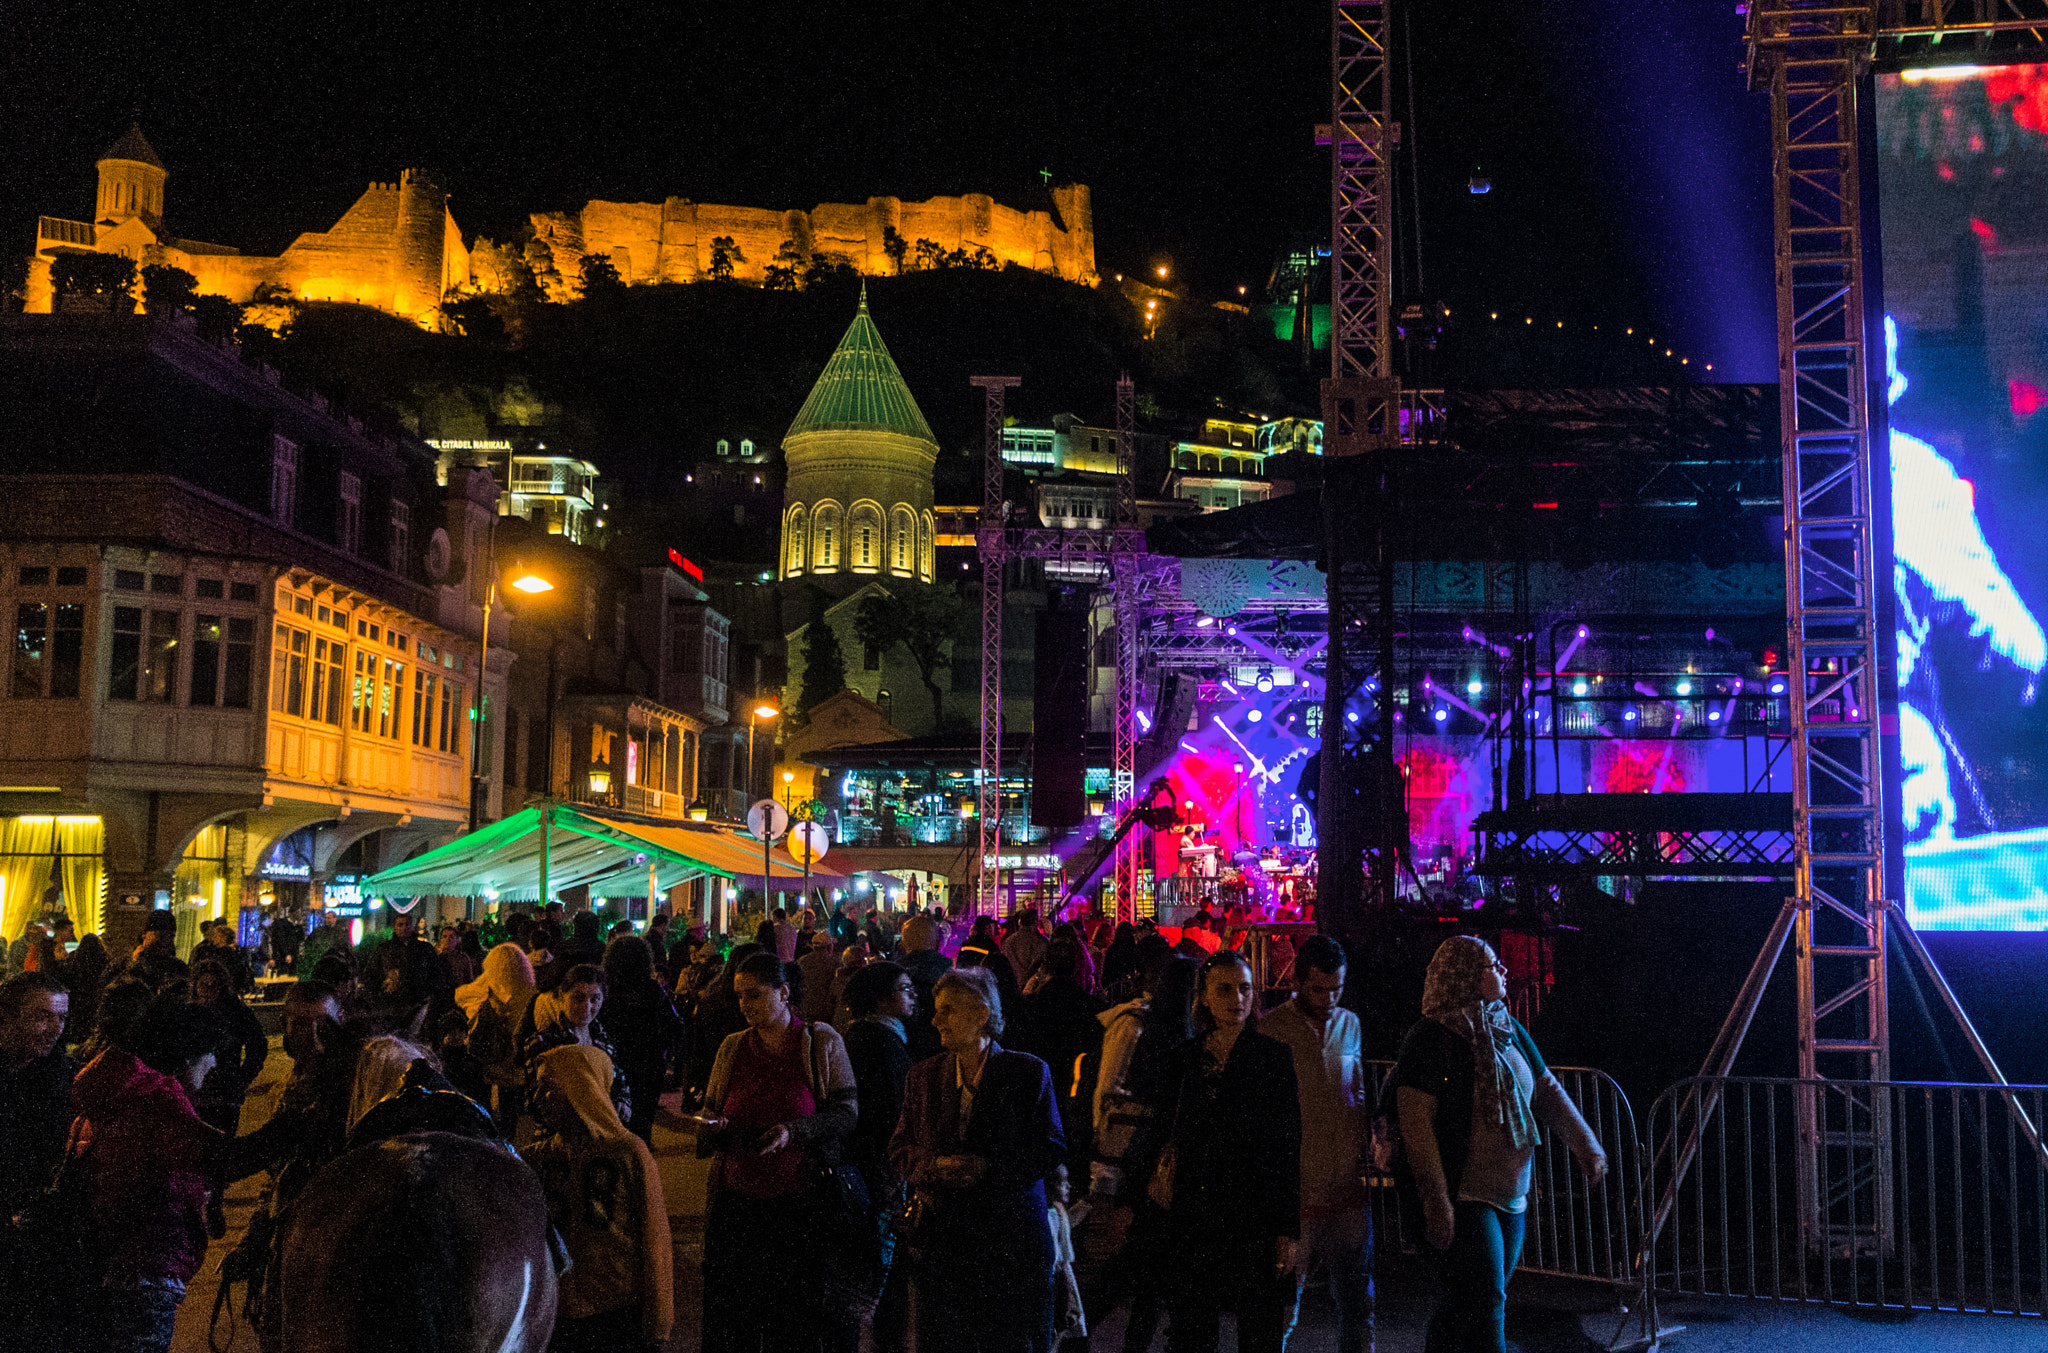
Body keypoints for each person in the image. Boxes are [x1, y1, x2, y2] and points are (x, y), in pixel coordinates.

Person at [1393, 936, 1608, 1353]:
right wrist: (1436, 1199)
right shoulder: (1429, 1039)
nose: (1503, 972)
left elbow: (1546, 1090)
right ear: (1464, 977)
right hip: (1465, 1195)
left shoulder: (1505, 1026)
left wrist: (1587, 1145)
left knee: (1468, 1301)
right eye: (1492, 965)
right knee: (1489, 1301)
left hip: (1512, 1194)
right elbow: (1417, 1124)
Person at [1126, 951, 1300, 1353]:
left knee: (1258, 1330)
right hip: (1194, 1217)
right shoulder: (1184, 1060)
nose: (1237, 999)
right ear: (1203, 996)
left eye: (1244, 989)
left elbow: (1287, 1146)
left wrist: (1287, 1227)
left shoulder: (1273, 1059)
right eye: (1224, 989)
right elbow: (1159, 1134)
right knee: (1192, 1330)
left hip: (1252, 1215)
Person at [890, 965, 1066, 1353]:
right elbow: (900, 1147)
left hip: (1010, 1245)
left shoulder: (1028, 1073)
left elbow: (1049, 1147)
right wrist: (932, 1167)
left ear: (982, 1014)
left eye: (949, 1009)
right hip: (941, 1247)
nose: (935, 1019)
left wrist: (988, 1170)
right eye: (937, 1009)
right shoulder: (922, 1077)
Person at [698, 952, 859, 1353]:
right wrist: (710, 1128)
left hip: (798, 1206)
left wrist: (794, 1132)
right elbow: (713, 1110)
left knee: (793, 1318)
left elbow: (845, 1112)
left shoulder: (820, 1042)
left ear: (784, 992)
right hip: (737, 1206)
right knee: (734, 1318)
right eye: (739, 996)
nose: (744, 1005)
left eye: (754, 995)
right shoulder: (733, 1047)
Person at [73, 997, 227, 1353]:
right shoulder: (158, 1100)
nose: (214, 1062)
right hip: (147, 1267)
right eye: (211, 1052)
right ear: (188, 1057)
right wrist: (289, 1131)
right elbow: (220, 1156)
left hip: (115, 1264)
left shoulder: (119, 1092)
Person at [1262, 936, 1373, 1353]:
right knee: (1283, 1307)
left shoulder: (1351, 1025)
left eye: (1336, 990)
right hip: (1297, 1194)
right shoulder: (1272, 1029)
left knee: (1358, 1303)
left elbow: (1356, 1091)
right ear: (1297, 981)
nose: (1328, 999)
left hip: (1347, 1188)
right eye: (1318, 989)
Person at [529, 1044, 674, 1353]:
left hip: (617, 1306)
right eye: (537, 1087)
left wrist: (659, 1317)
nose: (539, 1098)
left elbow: (654, 1237)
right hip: (560, 1307)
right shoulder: (540, 1156)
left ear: (582, 1087)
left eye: (550, 1087)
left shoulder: (628, 1152)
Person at [1012, 939, 1107, 1175]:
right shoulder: (1094, 1008)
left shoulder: (1029, 1006)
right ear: (1076, 967)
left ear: (1044, 968)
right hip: (1077, 1098)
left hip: (1037, 1097)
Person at [0, 972, 74, 1221]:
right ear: (6, 1018)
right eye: (43, 1017)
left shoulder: (66, 1077)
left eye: (61, 1018)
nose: (56, 1029)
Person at [522, 963, 631, 1127]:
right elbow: (534, 1106)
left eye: (595, 999)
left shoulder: (603, 1040)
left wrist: (624, 1101)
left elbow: (619, 1081)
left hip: (601, 1136)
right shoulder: (543, 1042)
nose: (586, 1007)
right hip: (560, 1140)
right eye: (578, 997)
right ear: (561, 995)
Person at [598, 935, 683, 1143]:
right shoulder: (653, 990)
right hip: (649, 1064)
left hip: (614, 1063)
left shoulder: (606, 991)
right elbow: (675, 1025)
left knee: (614, 1121)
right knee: (643, 1123)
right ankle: (642, 1165)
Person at [188, 957, 269, 1137]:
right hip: (195, 1095)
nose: (209, 991)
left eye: (214, 985)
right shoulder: (188, 1013)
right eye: (204, 985)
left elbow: (258, 1044)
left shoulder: (236, 1012)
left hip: (226, 1096)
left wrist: (243, 1077)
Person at [114, 911, 188, 993]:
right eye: (161, 936)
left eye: (171, 936)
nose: (166, 941)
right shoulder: (124, 964)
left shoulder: (177, 968)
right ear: (144, 935)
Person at [60, 931, 109, 1047]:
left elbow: (67, 978)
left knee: (78, 1026)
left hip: (77, 999)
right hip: (93, 999)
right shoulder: (103, 960)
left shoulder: (74, 958)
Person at [797, 932, 841, 1025]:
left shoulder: (802, 961)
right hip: (827, 1011)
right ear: (829, 947)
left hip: (807, 1007)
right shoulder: (835, 964)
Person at [1002, 906, 1050, 987]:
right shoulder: (1042, 942)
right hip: (1035, 987)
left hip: (1014, 986)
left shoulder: (1008, 942)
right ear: (1035, 922)